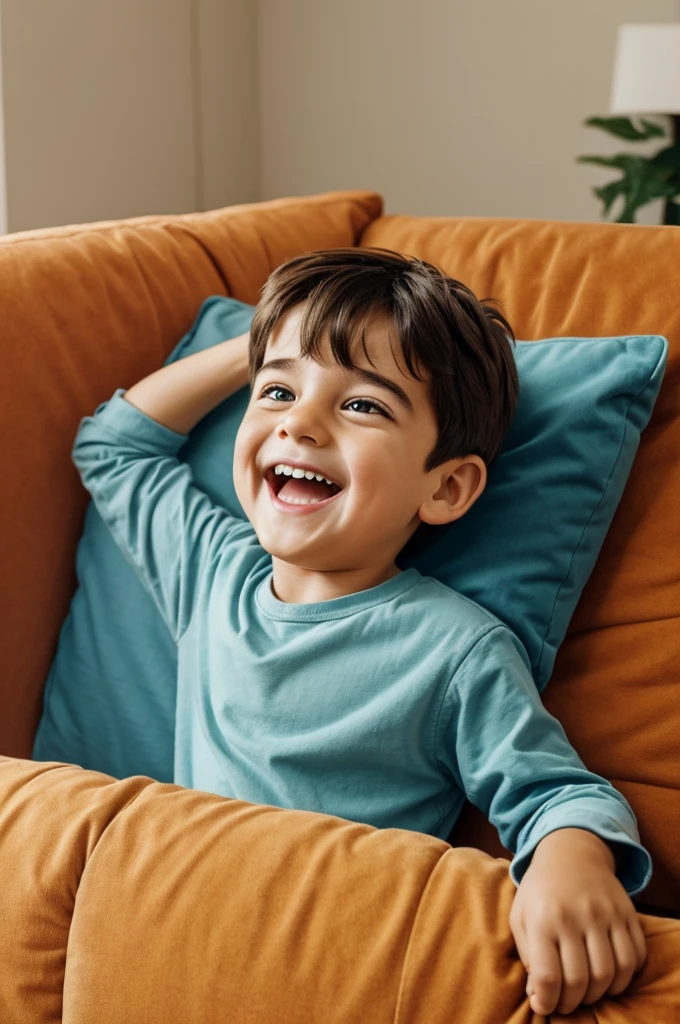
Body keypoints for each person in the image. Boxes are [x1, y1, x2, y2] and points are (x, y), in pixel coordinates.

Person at [73, 247, 651, 1016]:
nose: (300, 424)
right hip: (177, 940)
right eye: (277, 392)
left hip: (333, 973)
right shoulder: (214, 571)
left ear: (446, 487)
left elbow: (557, 793)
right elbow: (114, 445)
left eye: (362, 405)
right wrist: (264, 347)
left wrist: (570, 863)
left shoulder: (454, 649)